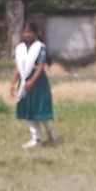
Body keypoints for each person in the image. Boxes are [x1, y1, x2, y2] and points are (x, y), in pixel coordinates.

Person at [10, 21, 57, 149]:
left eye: (29, 32)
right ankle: (36, 138)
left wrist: (32, 81)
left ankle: (51, 133)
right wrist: (13, 82)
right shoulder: (20, 49)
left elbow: (40, 67)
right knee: (28, 110)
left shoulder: (40, 47)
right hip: (24, 81)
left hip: (37, 82)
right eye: (25, 32)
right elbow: (19, 67)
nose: (27, 34)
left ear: (35, 33)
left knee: (39, 110)